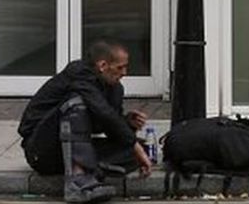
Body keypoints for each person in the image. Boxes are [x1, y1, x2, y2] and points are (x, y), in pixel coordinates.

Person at [18, 40, 152, 203]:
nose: (125, 73)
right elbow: (102, 112)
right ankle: (77, 183)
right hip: (40, 150)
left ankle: (88, 170)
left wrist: (127, 123)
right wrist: (133, 144)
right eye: (120, 67)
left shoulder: (115, 87)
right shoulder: (79, 73)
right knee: (77, 103)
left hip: (69, 151)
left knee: (140, 150)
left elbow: (110, 124)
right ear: (103, 65)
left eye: (126, 67)